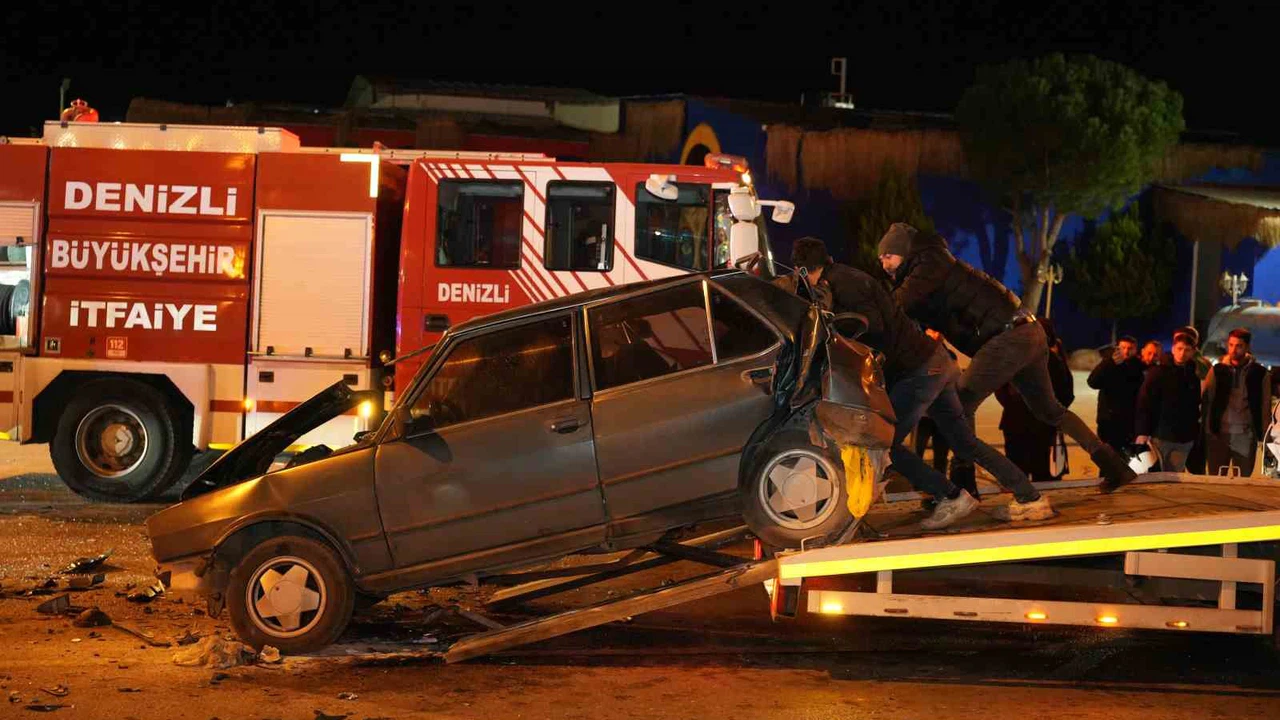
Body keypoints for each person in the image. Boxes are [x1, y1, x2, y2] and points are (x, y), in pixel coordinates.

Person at [788, 237, 1049, 526]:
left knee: (885, 443)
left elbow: (871, 325)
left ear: (804, 270)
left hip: (919, 371)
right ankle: (1031, 499)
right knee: (965, 443)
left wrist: (837, 327)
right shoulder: (846, 278)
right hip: (934, 362)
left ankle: (950, 497)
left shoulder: (843, 284)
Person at [877, 223, 1137, 495]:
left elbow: (895, 307)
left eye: (887, 256)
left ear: (905, 252)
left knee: (960, 400)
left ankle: (964, 482)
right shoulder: (930, 267)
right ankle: (1113, 465)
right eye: (880, 258)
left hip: (1007, 337)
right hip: (1027, 331)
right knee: (1050, 409)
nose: (884, 264)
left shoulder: (928, 264)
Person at [1205, 328, 1272, 476]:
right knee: (1216, 479)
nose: (1233, 349)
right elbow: (1207, 400)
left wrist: (1265, 436)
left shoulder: (1259, 373)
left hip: (1245, 435)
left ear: (1247, 347)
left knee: (1242, 481)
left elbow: (1265, 405)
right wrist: (1208, 430)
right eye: (1231, 345)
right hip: (1219, 434)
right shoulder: (1217, 370)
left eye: (1239, 346)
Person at [1135, 332, 1204, 472]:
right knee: (1154, 476)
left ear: (1192, 352)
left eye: (1187, 350)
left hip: (1184, 439)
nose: (1182, 353)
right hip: (1160, 436)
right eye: (1179, 349)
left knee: (1175, 478)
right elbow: (1144, 403)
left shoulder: (1193, 375)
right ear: (1173, 349)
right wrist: (1142, 432)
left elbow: (1195, 404)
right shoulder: (1158, 373)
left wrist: (1193, 432)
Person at [1088, 335, 1147, 452]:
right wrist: (1108, 363)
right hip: (1108, 422)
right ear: (1117, 348)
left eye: (1130, 348)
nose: (1126, 351)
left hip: (1130, 423)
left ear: (1136, 350)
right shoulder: (1108, 364)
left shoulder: (1139, 367)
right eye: (1123, 347)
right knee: (1108, 459)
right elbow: (1093, 382)